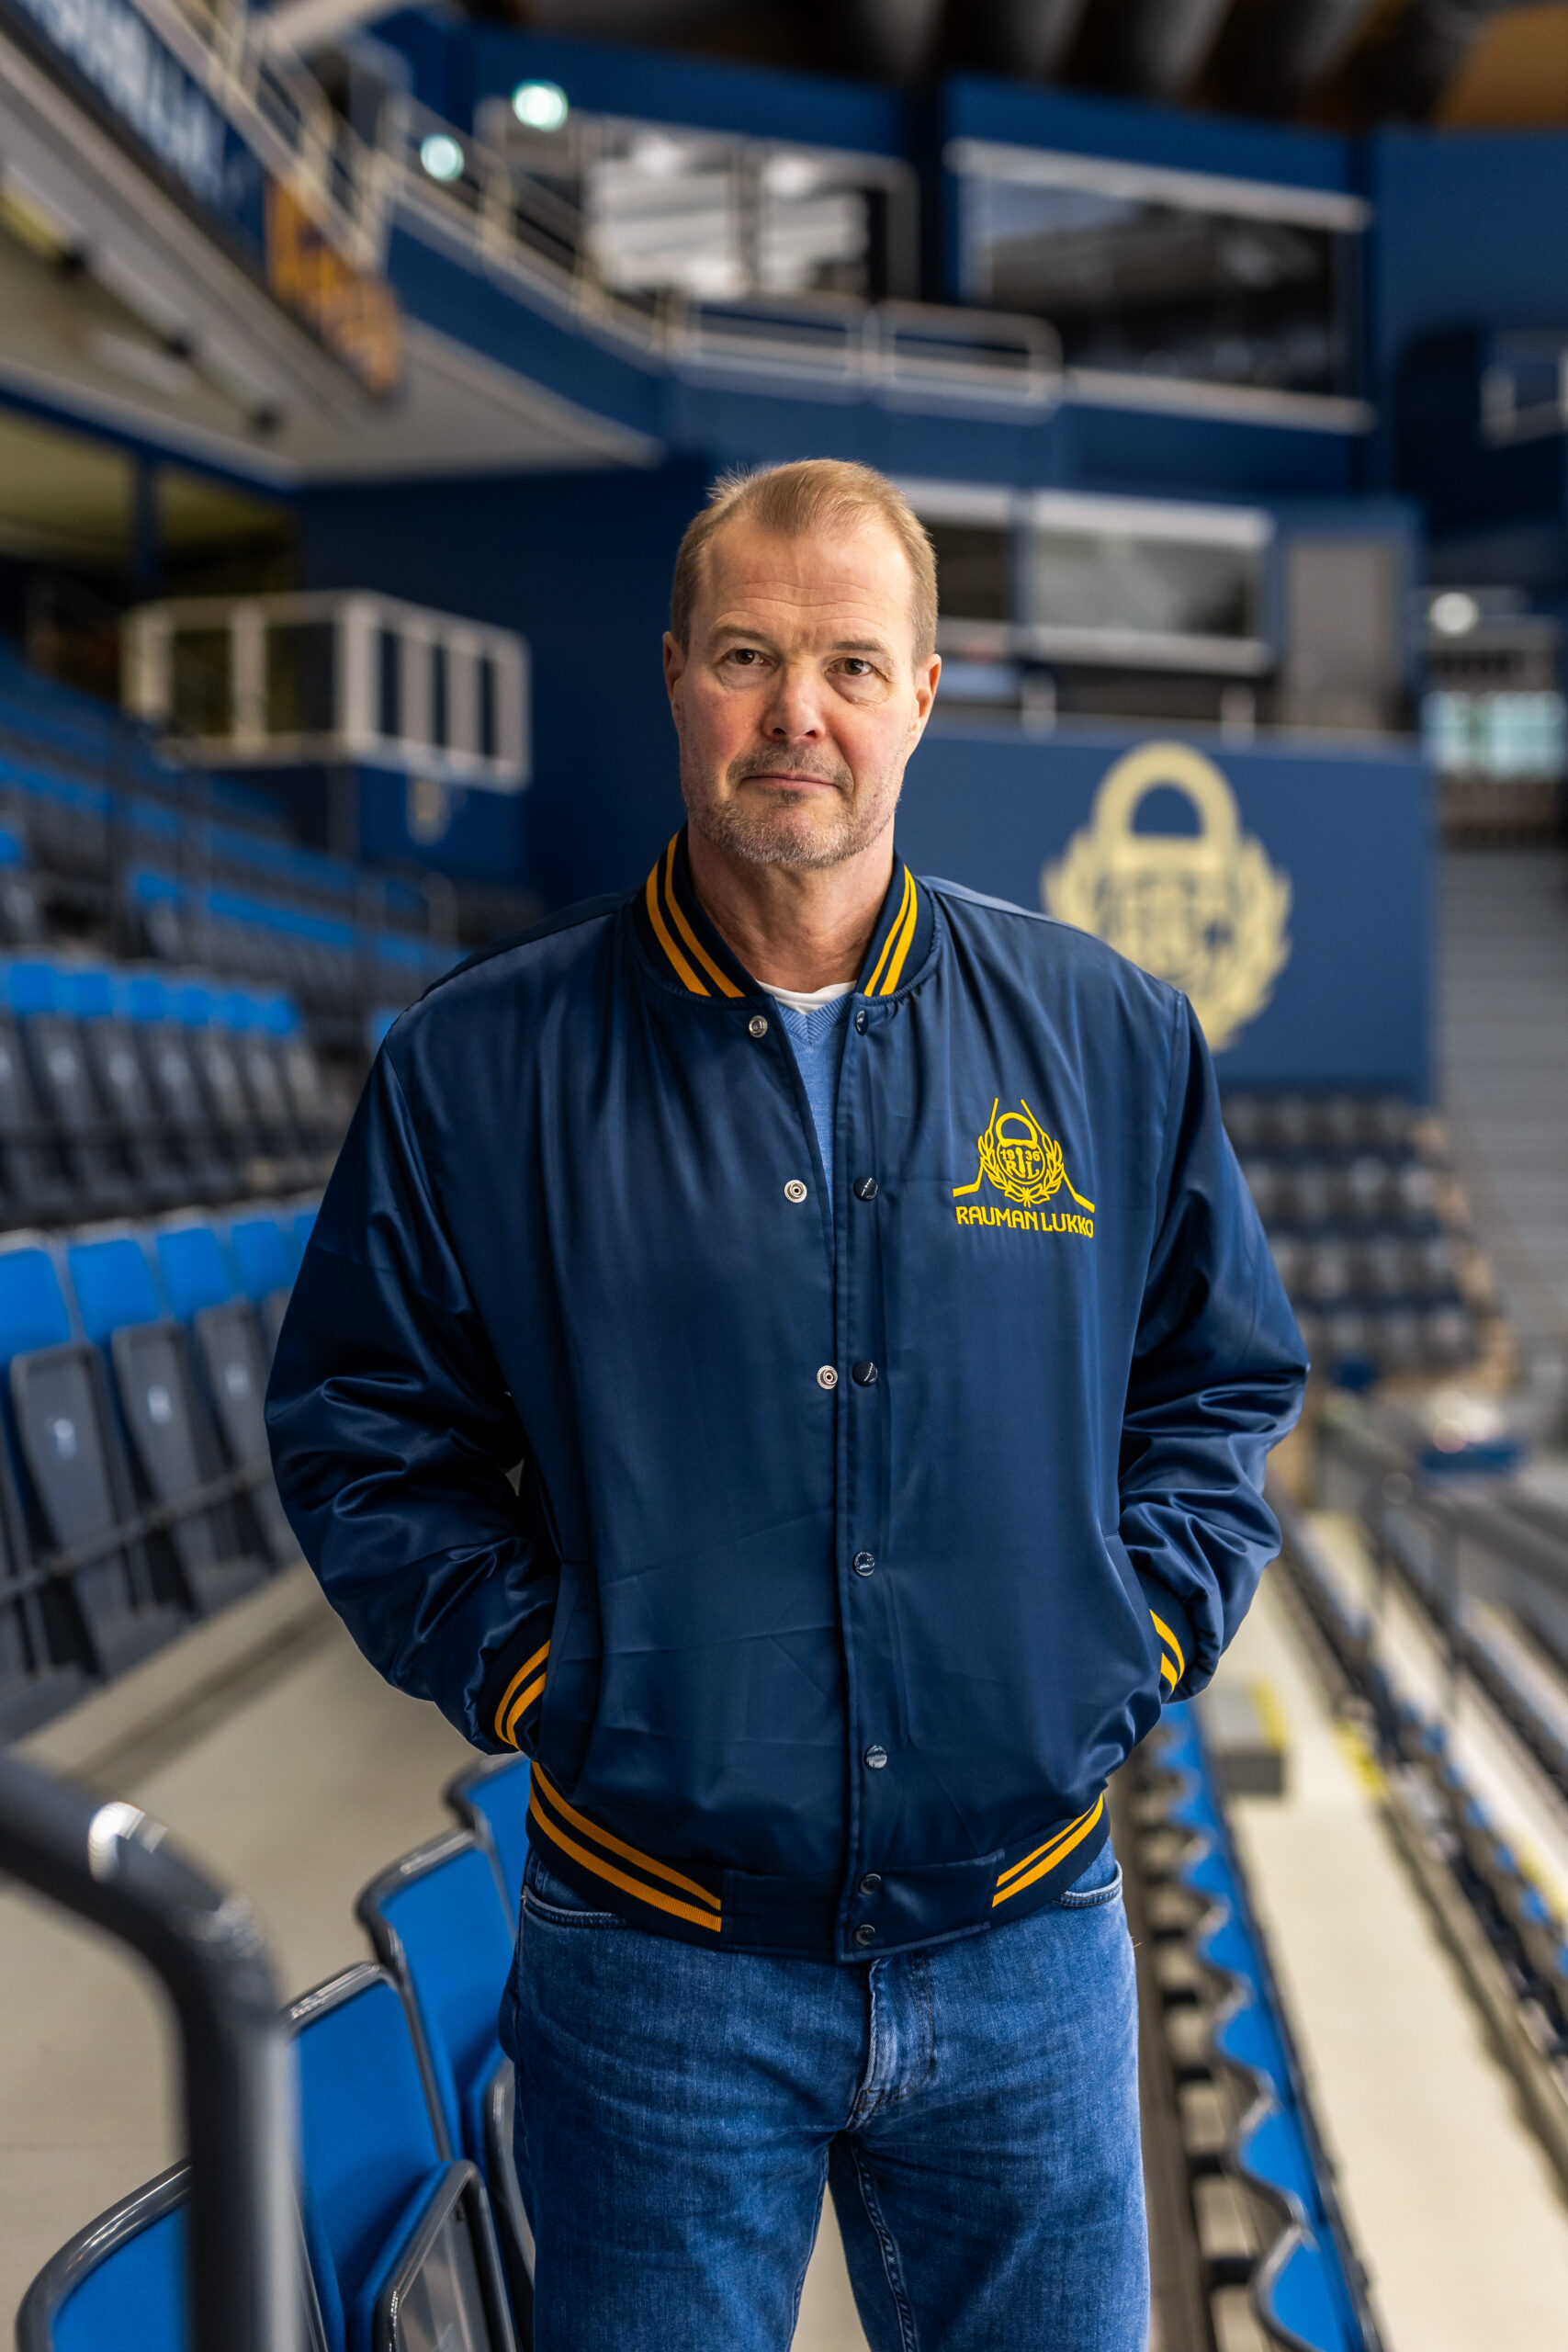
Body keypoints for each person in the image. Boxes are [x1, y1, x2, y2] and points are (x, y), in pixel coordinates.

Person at [267, 457, 1307, 2352]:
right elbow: (362, 1430)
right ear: (675, 675)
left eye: (849, 664)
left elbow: (1219, 1389)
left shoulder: (1109, 1035)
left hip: (1029, 1947)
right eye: (747, 655)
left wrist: (1131, 1643)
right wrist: (549, 1678)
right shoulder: (479, 1060)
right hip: (655, 1963)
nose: (795, 712)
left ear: (923, 694)